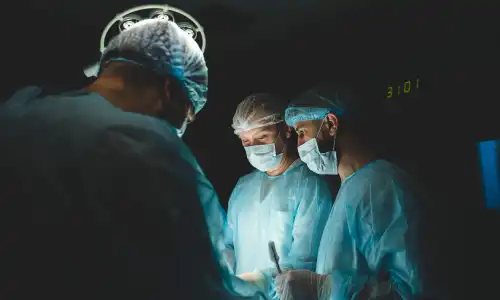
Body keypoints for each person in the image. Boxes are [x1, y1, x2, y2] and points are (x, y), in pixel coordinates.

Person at [0, 19, 267, 300]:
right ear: (168, 91)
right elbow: (193, 290)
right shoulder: (143, 145)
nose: (183, 127)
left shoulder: (18, 113)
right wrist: (256, 290)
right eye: (187, 113)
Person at [274, 82, 430, 299]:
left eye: (302, 132)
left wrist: (325, 289)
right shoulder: (352, 188)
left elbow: (410, 291)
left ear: (330, 123)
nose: (299, 147)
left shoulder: (382, 185)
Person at [223, 93, 333, 299]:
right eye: (246, 140)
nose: (254, 147)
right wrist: (224, 274)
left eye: (262, 137)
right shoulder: (242, 187)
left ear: (286, 130)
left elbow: (305, 262)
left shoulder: (311, 186)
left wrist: (259, 281)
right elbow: (227, 245)